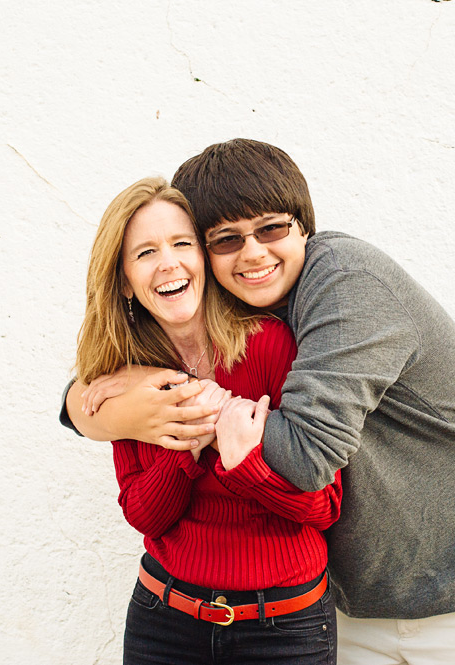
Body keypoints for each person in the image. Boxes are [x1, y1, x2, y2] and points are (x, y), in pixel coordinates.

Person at [64, 141, 455, 665]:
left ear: (303, 225)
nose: (254, 252)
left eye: (272, 229)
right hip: (361, 592)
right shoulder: (236, 307)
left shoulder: (346, 282)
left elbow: (307, 457)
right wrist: (100, 402)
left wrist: (186, 407)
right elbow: (104, 392)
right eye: (226, 239)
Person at [73, 175, 342, 665]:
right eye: (145, 252)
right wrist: (186, 443)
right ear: (125, 282)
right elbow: (144, 514)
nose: (169, 262)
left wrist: (248, 464)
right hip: (165, 621)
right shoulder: (130, 377)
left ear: (203, 258)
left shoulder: (271, 344)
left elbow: (325, 506)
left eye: (181, 243)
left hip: (283, 628)